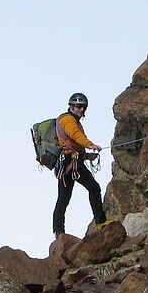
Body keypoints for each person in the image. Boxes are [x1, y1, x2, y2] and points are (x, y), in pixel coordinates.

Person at [53, 92, 106, 238]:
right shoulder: (68, 120)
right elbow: (75, 135)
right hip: (71, 161)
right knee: (94, 188)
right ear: (71, 106)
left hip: (69, 163)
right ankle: (101, 222)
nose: (81, 110)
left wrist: (88, 155)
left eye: (83, 107)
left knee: (63, 198)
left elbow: (74, 143)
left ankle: (59, 232)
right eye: (78, 106)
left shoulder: (71, 120)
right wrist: (90, 144)